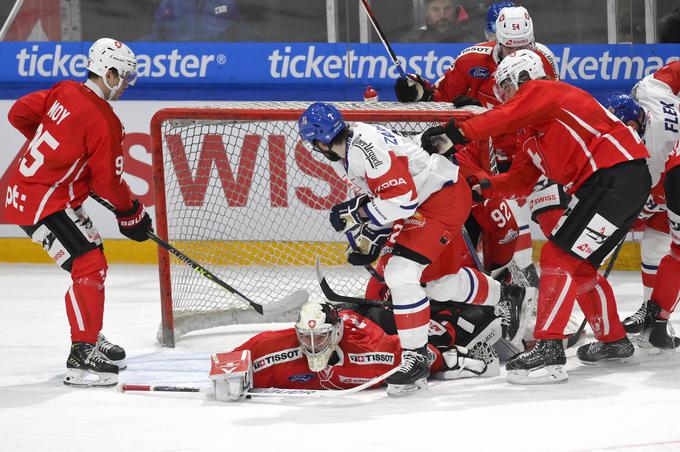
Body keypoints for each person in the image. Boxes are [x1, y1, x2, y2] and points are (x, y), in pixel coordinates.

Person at [422, 50, 652, 384]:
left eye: (506, 87)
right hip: (611, 184)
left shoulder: (547, 90)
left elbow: (506, 115)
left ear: (523, 76)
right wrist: (479, 186)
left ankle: (549, 349)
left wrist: (457, 133)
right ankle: (614, 341)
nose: (504, 96)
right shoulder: (532, 133)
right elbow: (519, 180)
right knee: (580, 266)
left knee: (558, 255)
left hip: (615, 176)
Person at [297, 102, 510, 396]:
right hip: (434, 196)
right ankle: (506, 297)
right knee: (438, 284)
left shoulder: (362, 150)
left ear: (318, 142)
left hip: (439, 200)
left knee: (400, 273)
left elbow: (402, 199)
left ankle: (416, 357)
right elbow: (390, 197)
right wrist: (370, 233)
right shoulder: (352, 147)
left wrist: (359, 214)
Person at [3, 38, 153, 387]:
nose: (128, 83)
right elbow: (110, 185)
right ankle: (81, 354)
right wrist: (131, 214)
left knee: (90, 259)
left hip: (32, 193)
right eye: (125, 76)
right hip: (43, 200)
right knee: (89, 264)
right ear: (108, 72)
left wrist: (63, 158)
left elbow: (19, 114)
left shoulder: (64, 91)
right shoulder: (104, 122)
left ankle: (89, 333)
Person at [395, 6, 558, 288]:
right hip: (486, 155)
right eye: (509, 48)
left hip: (529, 151)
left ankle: (542, 290)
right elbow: (440, 98)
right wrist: (419, 91)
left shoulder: (543, 60)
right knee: (496, 223)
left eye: (525, 46)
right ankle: (508, 286)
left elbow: (544, 109)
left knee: (556, 227)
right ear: (497, 41)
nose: (517, 55)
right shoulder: (472, 60)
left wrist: (482, 110)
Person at [210, 299, 501, 400]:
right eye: (306, 337)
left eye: (320, 337)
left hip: (362, 322)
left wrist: (447, 359)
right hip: (340, 319)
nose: (312, 345)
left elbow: (415, 353)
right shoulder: (274, 345)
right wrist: (228, 378)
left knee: (423, 328)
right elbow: (231, 359)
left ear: (335, 334)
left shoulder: (371, 350)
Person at [603, 62, 680, 351]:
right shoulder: (651, 89)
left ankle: (655, 314)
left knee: (668, 247)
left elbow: (658, 198)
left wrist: (635, 212)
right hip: (672, 179)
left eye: (630, 130)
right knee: (654, 244)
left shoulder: (654, 156)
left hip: (673, 179)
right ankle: (653, 313)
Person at [143, 0, 260, 42]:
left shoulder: (225, 3)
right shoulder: (170, 3)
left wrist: (261, 48)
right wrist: (137, 51)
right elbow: (157, 34)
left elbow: (241, 32)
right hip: (179, 63)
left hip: (219, 61)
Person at [400, 0, 479, 43]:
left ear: (455, 11)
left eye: (447, 8)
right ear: (427, 13)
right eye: (435, 9)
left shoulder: (470, 42)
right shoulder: (411, 41)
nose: (442, 15)